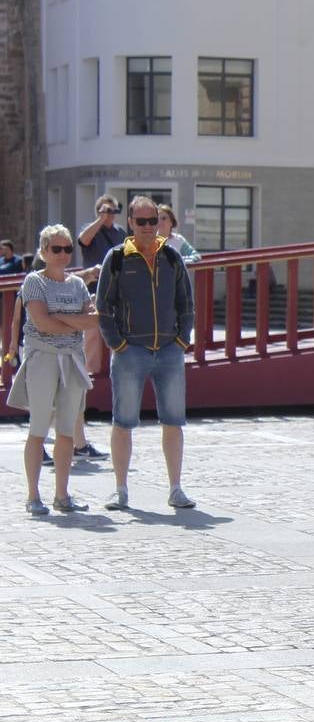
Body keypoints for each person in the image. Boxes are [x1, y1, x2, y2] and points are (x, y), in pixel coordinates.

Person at [95, 195, 195, 511]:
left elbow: (186, 303)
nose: (149, 227)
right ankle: (121, 489)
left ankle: (176, 488)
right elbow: (103, 305)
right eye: (142, 222)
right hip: (130, 351)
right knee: (123, 421)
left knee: (173, 421)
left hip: (169, 350)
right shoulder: (118, 258)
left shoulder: (171, 257)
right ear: (131, 223)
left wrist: (182, 340)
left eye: (153, 220)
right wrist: (117, 344)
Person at [6, 225, 98, 514]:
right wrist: (72, 320)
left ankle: (62, 495)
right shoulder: (35, 281)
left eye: (67, 249)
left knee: (67, 430)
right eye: (56, 249)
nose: (62, 255)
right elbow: (41, 323)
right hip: (43, 359)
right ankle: (33, 495)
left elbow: (94, 321)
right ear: (43, 252)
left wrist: (58, 315)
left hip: (72, 358)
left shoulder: (77, 284)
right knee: (38, 428)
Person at [78, 194, 125, 272]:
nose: (111, 214)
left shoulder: (120, 231)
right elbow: (82, 241)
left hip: (114, 277)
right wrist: (101, 219)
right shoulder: (89, 229)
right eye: (109, 211)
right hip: (94, 278)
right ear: (98, 211)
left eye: (114, 211)